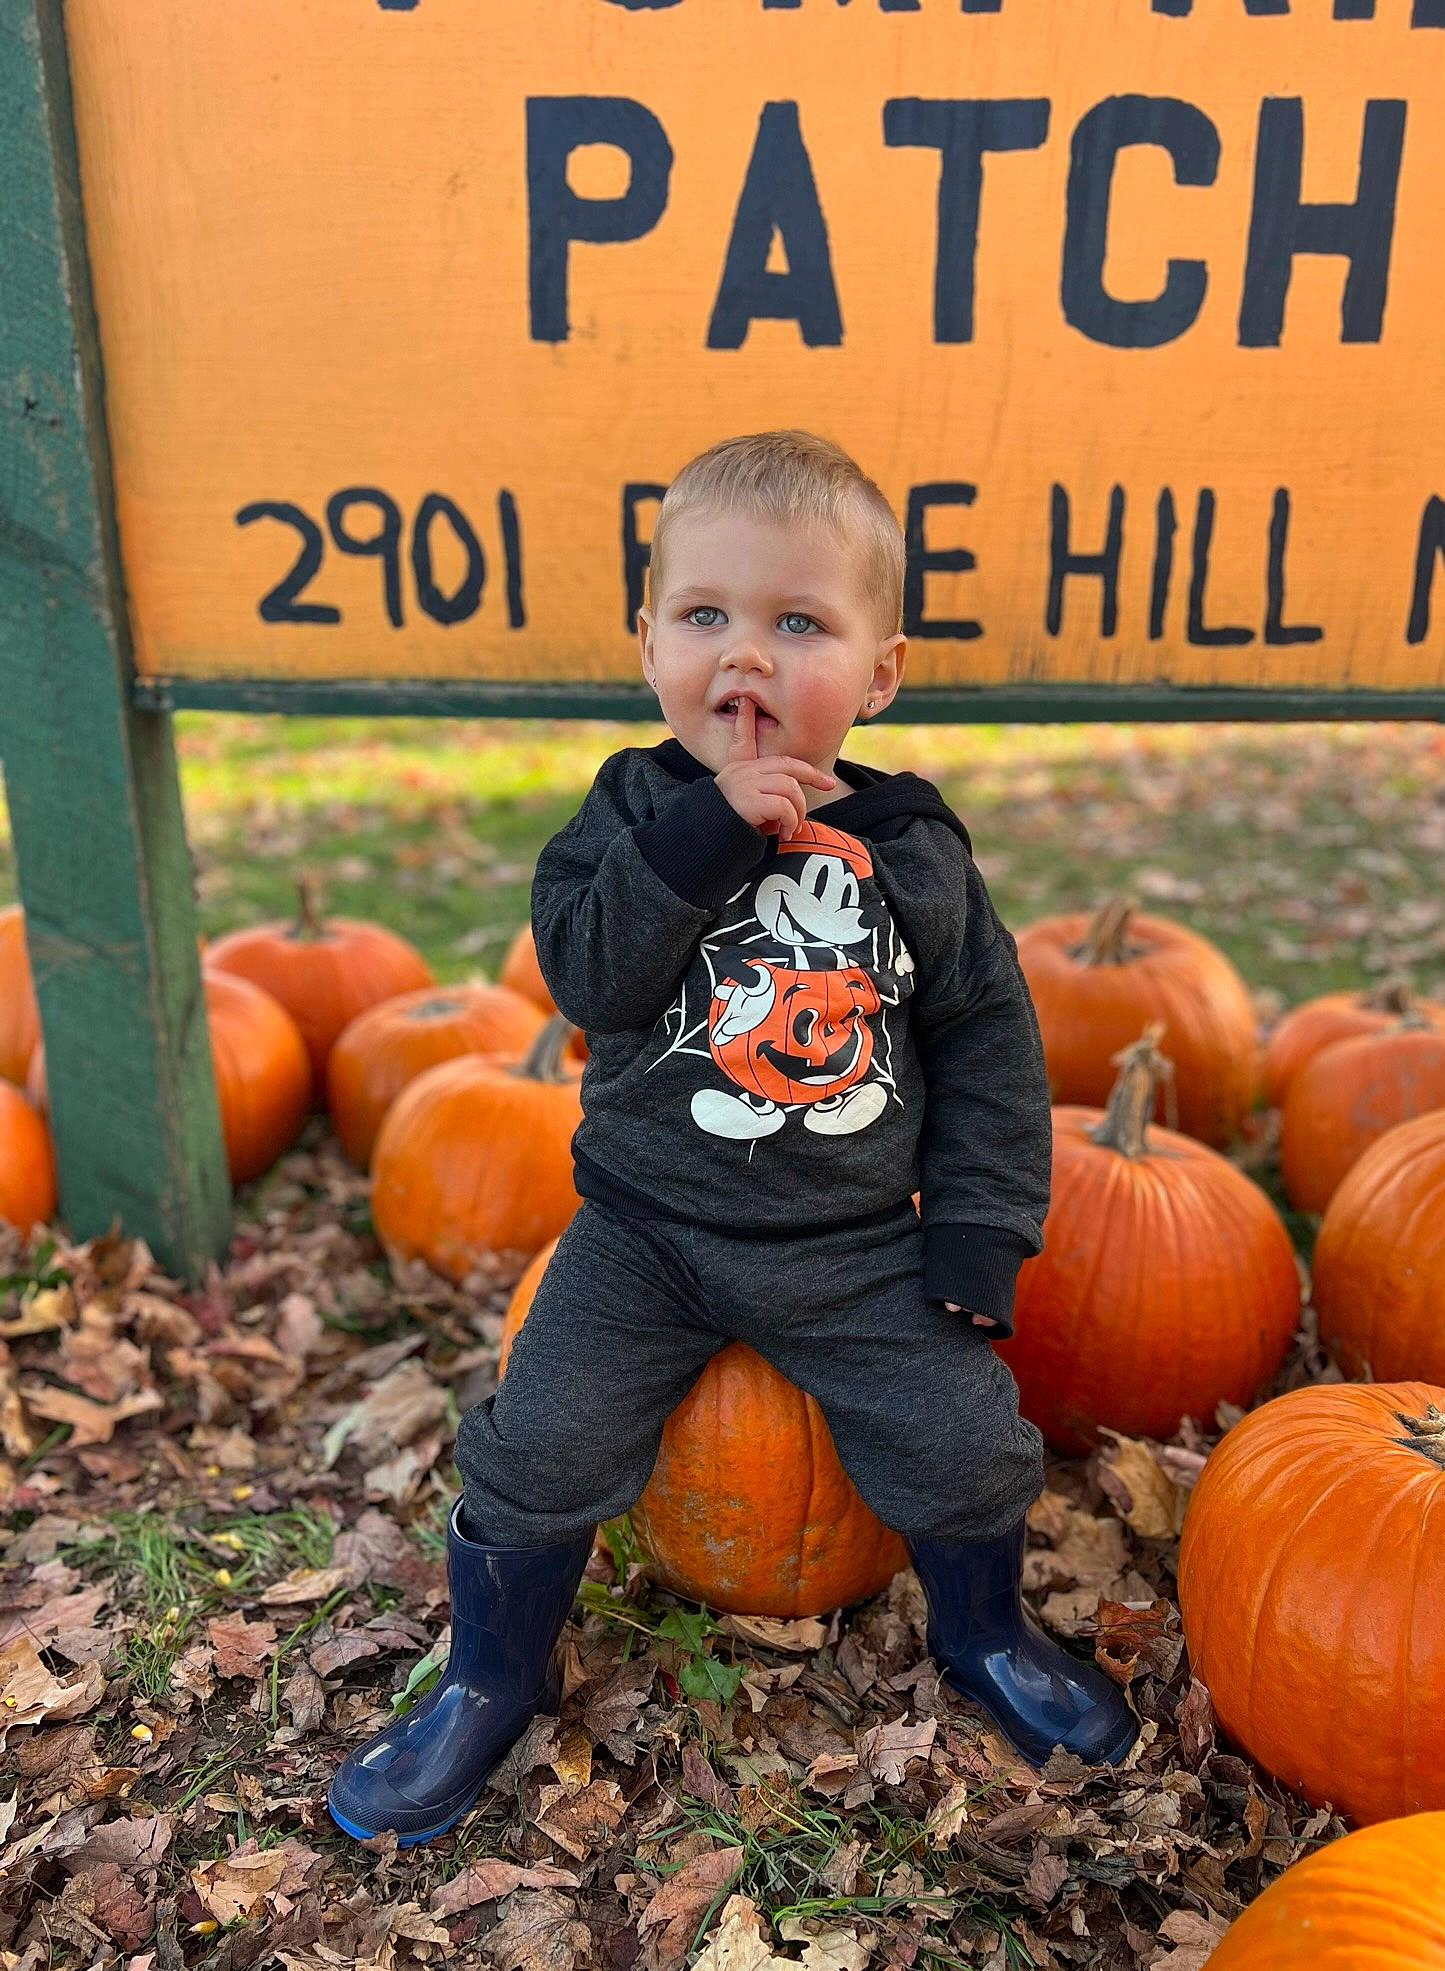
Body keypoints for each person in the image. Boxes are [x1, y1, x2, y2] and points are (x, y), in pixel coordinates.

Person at [327, 431, 1136, 1845]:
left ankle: (987, 1636)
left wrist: (979, 1233)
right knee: (542, 1441)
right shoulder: (630, 820)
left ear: (877, 673)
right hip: (645, 1233)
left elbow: (990, 1046)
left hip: (852, 1247)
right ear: (648, 646)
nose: (744, 658)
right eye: (706, 617)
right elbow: (588, 976)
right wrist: (706, 838)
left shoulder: (915, 855)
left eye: (797, 623)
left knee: (965, 1442)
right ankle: (485, 1678)